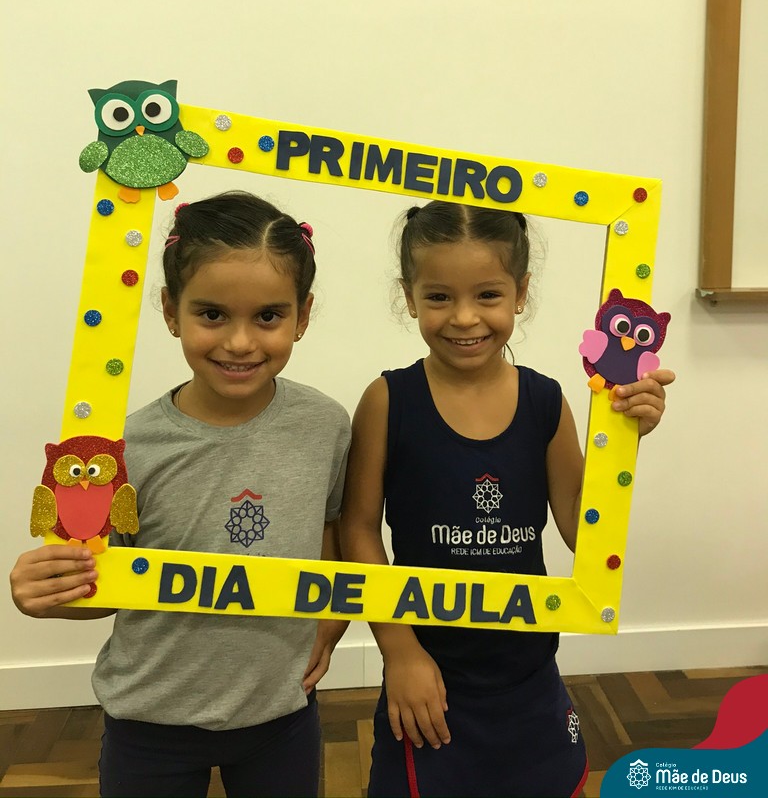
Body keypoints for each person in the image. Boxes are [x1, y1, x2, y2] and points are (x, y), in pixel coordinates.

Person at [10, 191, 351, 798]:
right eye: (212, 314)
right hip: (150, 720)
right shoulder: (124, 448)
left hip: (281, 713)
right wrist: (52, 591)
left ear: (302, 315)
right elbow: (104, 584)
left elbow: (330, 530)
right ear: (171, 310)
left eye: (268, 316)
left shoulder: (325, 425)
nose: (240, 342)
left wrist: (332, 620)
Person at [340, 201, 674, 798]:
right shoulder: (387, 400)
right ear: (409, 297)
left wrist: (626, 440)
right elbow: (359, 529)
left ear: (520, 293)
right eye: (439, 296)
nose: (464, 317)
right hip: (428, 671)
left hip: (528, 670)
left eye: (488, 295)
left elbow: (581, 526)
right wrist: (399, 650)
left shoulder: (546, 401)